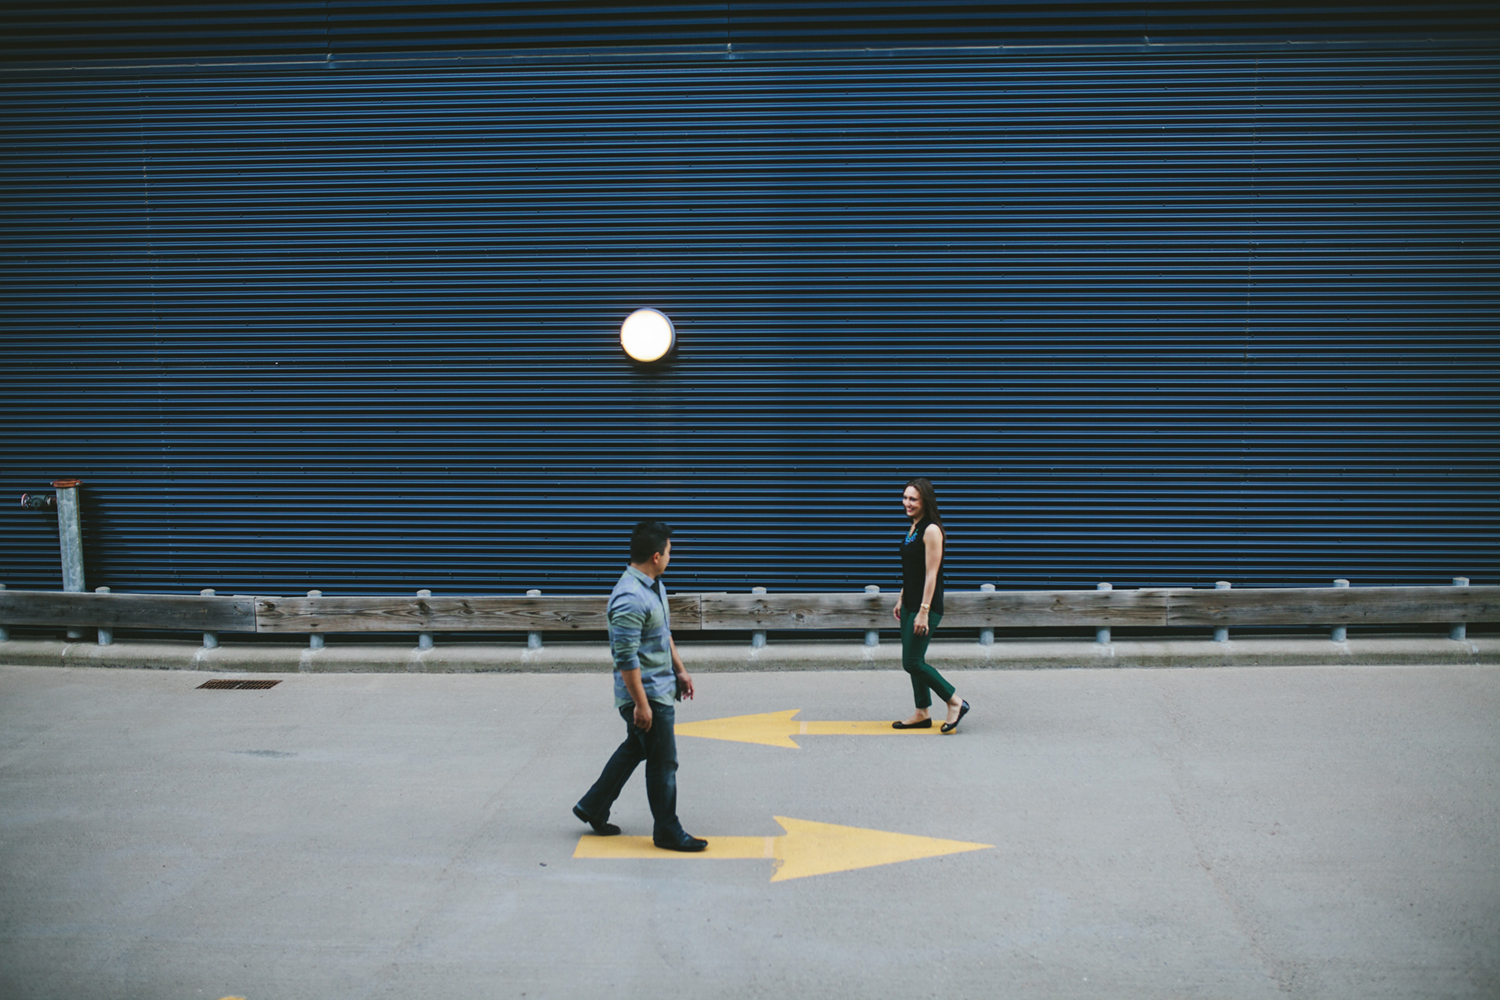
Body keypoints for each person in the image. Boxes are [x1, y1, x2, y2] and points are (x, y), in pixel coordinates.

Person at [573, 520, 707, 851]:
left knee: (636, 748)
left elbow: (663, 634)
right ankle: (666, 830)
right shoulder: (630, 598)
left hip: (659, 685)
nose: (671, 556)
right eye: (670, 552)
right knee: (663, 762)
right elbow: (626, 658)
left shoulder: (652, 585)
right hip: (645, 695)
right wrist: (642, 705)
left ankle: (592, 806)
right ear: (656, 556)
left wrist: (681, 670)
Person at [892, 478, 970, 734]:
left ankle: (955, 701)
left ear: (925, 500)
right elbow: (911, 570)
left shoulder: (931, 530)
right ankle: (922, 712)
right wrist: (902, 597)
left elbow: (931, 574)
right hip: (910, 604)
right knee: (915, 658)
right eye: (905, 497)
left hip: (926, 606)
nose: (907, 503)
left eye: (913, 499)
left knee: (912, 662)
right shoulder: (913, 527)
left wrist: (923, 611)